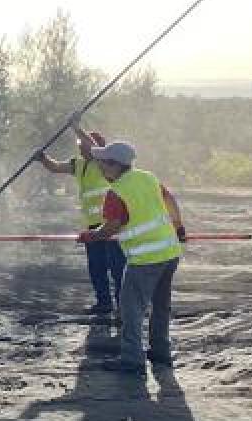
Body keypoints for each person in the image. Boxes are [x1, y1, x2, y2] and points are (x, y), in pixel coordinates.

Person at [78, 140, 186, 375]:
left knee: (130, 309)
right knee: (160, 306)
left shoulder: (116, 192)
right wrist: (179, 227)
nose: (100, 167)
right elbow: (170, 200)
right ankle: (160, 352)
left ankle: (132, 360)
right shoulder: (148, 177)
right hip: (170, 254)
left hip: (145, 260)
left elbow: (111, 228)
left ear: (115, 165)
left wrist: (91, 236)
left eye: (103, 163)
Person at [36, 118, 126, 318]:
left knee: (117, 267)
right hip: (92, 225)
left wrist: (76, 127)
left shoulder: (103, 163)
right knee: (96, 267)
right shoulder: (78, 164)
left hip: (110, 224)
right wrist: (43, 159)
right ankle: (104, 303)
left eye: (83, 145)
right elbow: (56, 167)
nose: (80, 148)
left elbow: (92, 148)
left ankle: (123, 307)